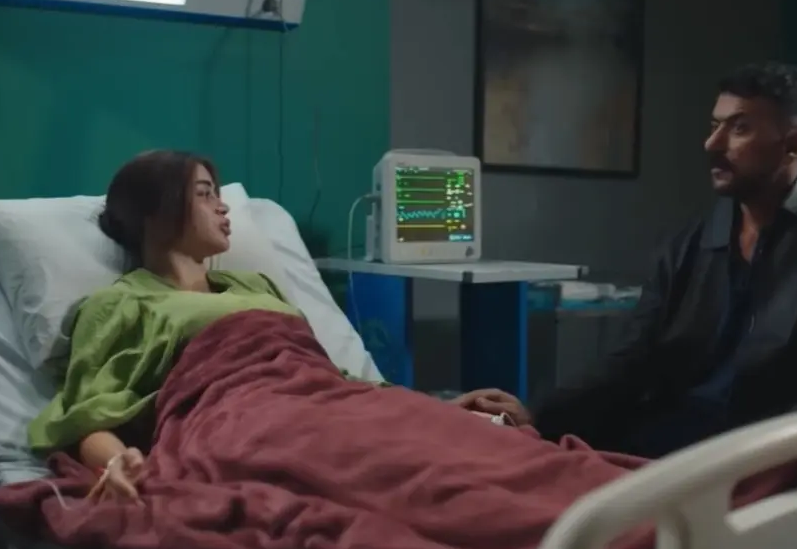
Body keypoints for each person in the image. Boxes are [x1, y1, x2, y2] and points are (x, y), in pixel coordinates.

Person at [458, 61, 797, 458]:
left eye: (739, 128)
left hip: (768, 452)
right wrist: (537, 414)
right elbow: (631, 360)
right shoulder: (691, 243)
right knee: (504, 466)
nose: (712, 144)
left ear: (793, 145)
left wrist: (772, 447)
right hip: (669, 443)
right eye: (714, 125)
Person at [28, 149, 495, 501]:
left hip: (324, 404)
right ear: (156, 211)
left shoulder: (254, 285)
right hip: (241, 418)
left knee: (471, 448)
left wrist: (430, 407)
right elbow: (85, 415)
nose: (223, 207)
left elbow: (329, 377)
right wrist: (117, 462)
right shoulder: (121, 302)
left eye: (218, 194)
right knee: (402, 472)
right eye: (204, 194)